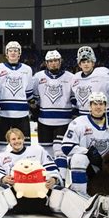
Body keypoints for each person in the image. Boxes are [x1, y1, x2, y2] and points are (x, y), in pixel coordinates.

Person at [0, 128, 109, 218]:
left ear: (24, 138)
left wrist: (53, 179)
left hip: (40, 199)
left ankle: (89, 213)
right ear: (9, 142)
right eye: (13, 139)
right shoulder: (1, 157)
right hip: (16, 201)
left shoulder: (37, 151)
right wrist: (3, 179)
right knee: (3, 191)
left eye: (19, 138)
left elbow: (51, 168)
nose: (17, 141)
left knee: (60, 192)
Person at [61, 92, 109, 194]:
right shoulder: (78, 123)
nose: (98, 107)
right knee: (78, 159)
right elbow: (66, 147)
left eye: (101, 104)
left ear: (105, 106)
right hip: (87, 166)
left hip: (106, 166)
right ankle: (80, 194)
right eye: (95, 104)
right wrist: (88, 152)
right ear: (90, 106)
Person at [31, 50, 74, 180]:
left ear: (60, 62)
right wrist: (34, 110)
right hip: (44, 121)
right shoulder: (38, 77)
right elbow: (34, 99)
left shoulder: (70, 77)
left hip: (64, 121)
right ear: (46, 63)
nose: (54, 63)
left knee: (59, 150)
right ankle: (49, 178)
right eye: (51, 61)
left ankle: (61, 180)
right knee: (46, 152)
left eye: (56, 61)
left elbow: (75, 99)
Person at [0, 41, 33, 149]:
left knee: (24, 146)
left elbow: (29, 93)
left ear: (19, 53)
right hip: (2, 114)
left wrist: (33, 106)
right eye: (10, 51)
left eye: (16, 51)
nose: (13, 53)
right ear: (6, 53)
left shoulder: (27, 70)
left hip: (22, 114)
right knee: (1, 146)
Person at [71, 46, 109, 119]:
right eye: (83, 62)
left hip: (107, 116)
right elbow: (74, 98)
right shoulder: (75, 78)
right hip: (85, 117)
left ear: (93, 63)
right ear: (79, 64)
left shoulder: (102, 73)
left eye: (88, 61)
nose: (86, 64)